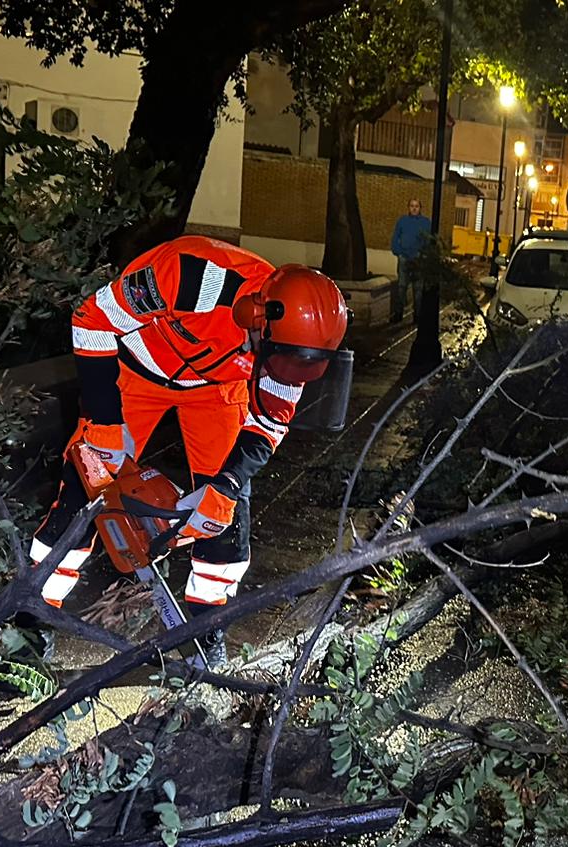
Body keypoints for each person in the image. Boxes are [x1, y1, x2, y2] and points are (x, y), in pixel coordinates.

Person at [31, 235, 350, 667]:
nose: (285, 374)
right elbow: (91, 320)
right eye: (278, 359)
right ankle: (30, 618)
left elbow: (270, 422)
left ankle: (206, 626)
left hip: (216, 390)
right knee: (82, 491)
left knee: (226, 513)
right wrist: (105, 420)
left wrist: (227, 484)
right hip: (134, 369)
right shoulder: (190, 277)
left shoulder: (289, 353)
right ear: (255, 315)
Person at [390, 199, 431, 324]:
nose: (414, 208)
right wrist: (399, 252)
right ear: (408, 207)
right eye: (412, 206)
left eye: (416, 206)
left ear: (420, 208)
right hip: (404, 258)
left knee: (418, 289)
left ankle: (417, 315)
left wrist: (423, 255)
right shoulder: (402, 221)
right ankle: (398, 313)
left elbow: (429, 240)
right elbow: (395, 237)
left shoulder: (425, 223)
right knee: (402, 286)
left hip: (418, 259)